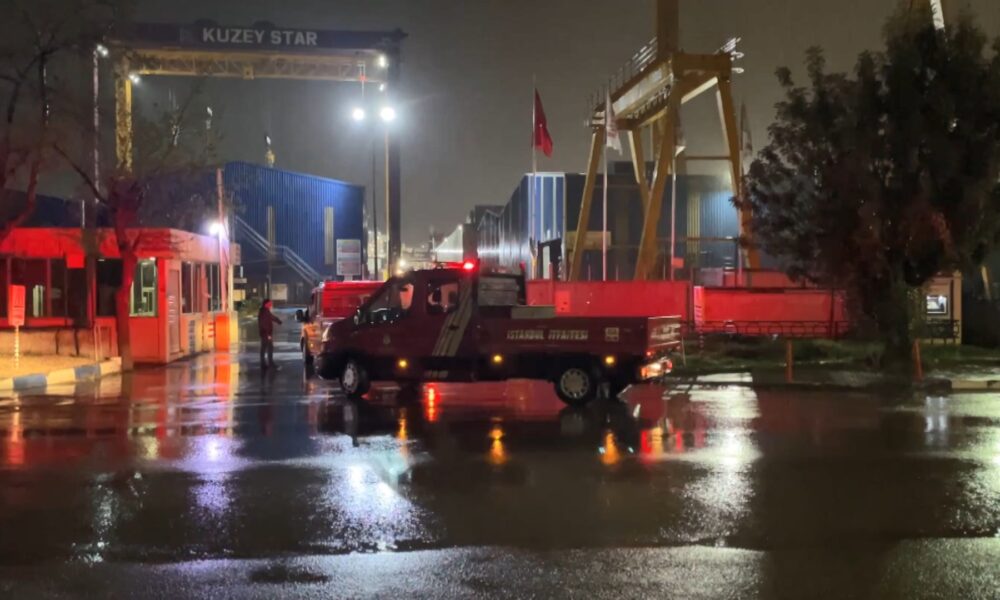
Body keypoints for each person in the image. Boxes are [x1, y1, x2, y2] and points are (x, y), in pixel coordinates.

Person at [258, 298, 282, 369]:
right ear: (266, 304)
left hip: (265, 333)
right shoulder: (264, 312)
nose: (271, 305)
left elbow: (272, 317)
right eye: (270, 304)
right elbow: (264, 324)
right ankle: (269, 364)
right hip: (266, 334)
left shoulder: (265, 311)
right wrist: (267, 334)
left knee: (265, 348)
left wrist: (278, 320)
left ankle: (264, 364)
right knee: (268, 348)